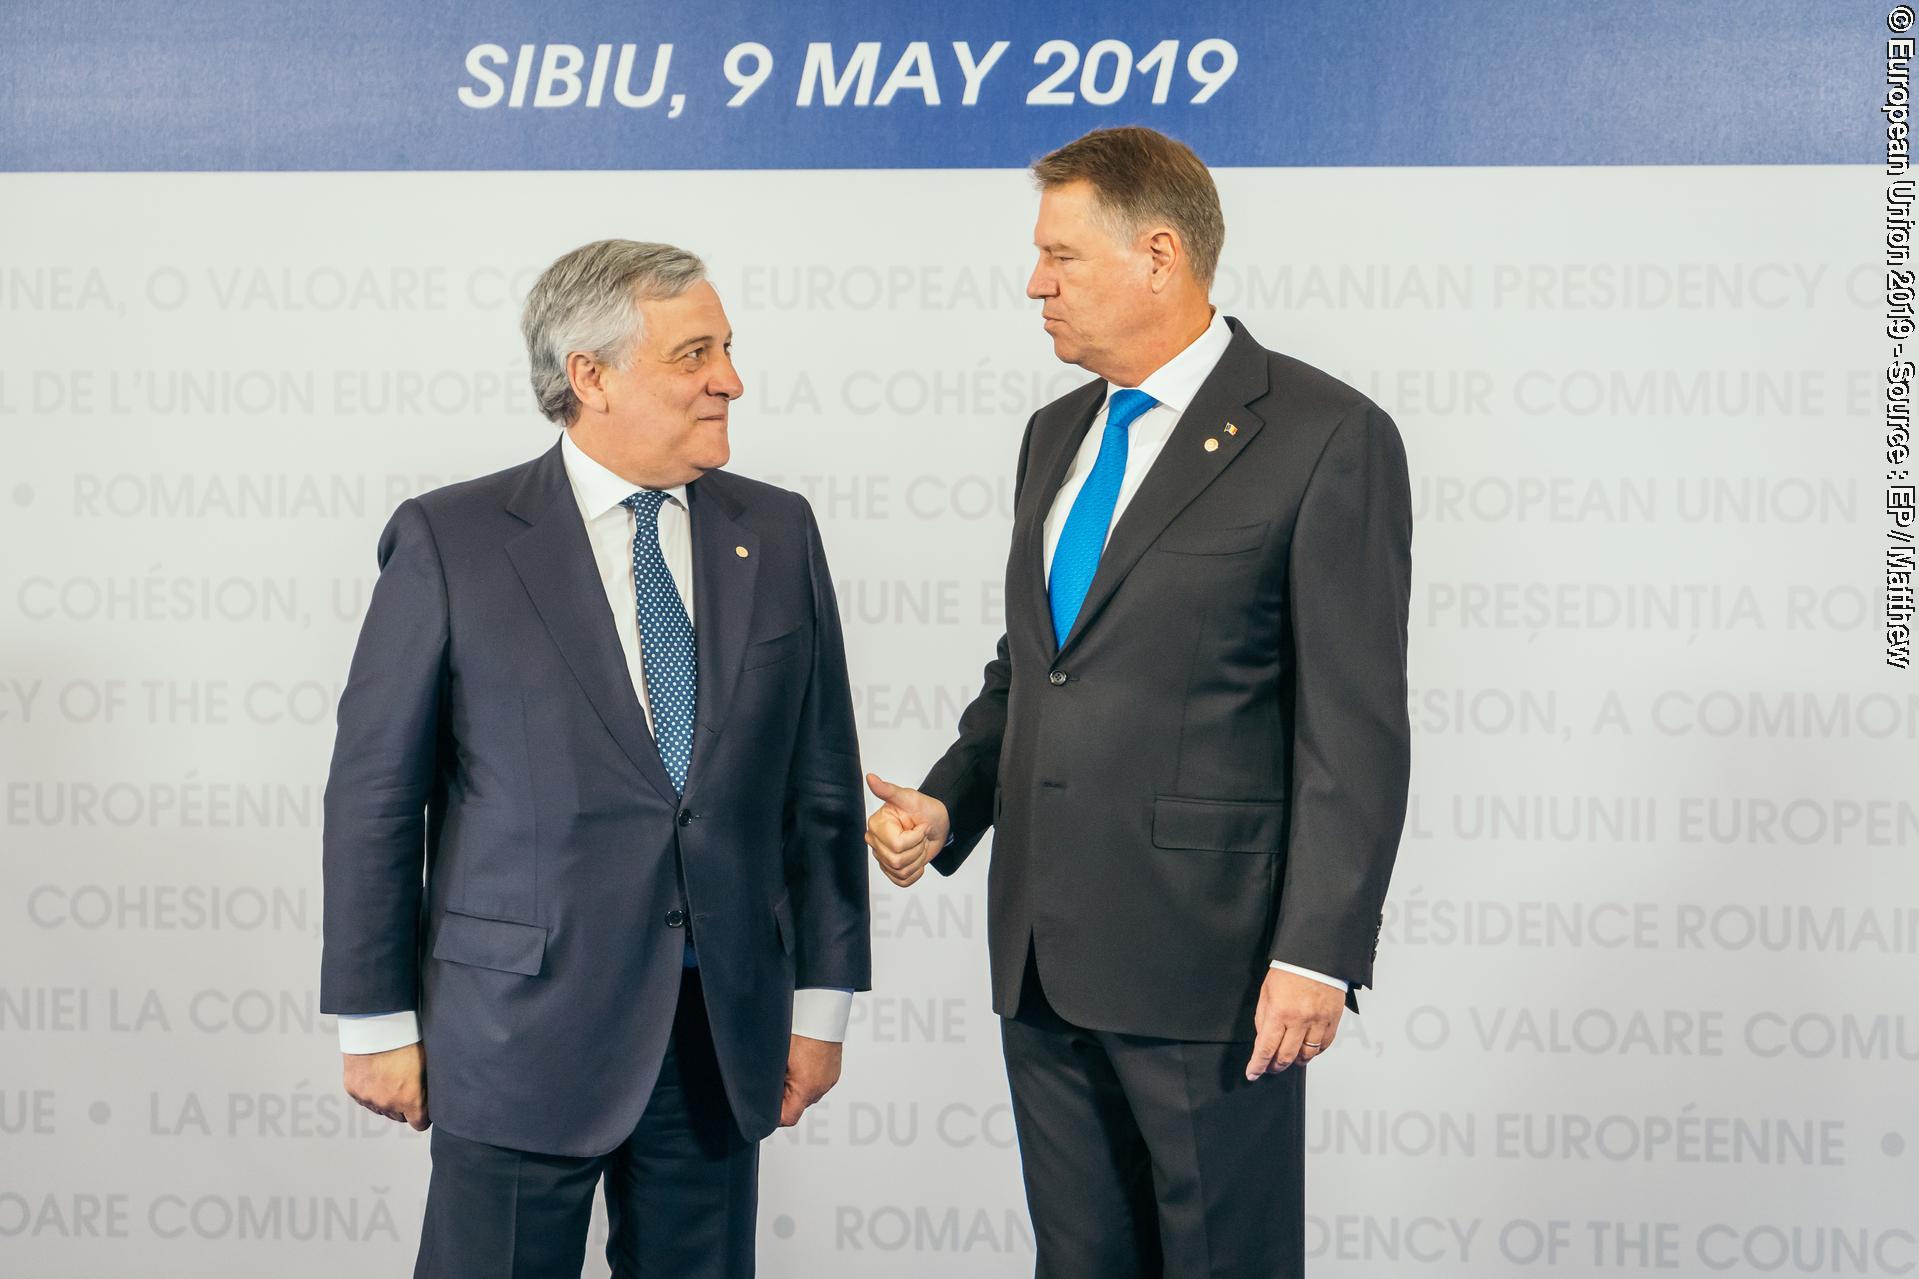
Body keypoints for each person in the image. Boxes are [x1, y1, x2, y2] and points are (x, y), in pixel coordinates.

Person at [865, 127, 1412, 1278]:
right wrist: (948, 806)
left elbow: (1350, 728)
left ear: (1158, 255)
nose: (1034, 283)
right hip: (1040, 954)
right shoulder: (1051, 433)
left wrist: (1316, 951)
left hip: (1208, 966)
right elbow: (1035, 668)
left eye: (1059, 256)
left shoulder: (1325, 437)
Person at [320, 239, 870, 1278]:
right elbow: (373, 802)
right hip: (515, 1033)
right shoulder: (453, 538)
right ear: (591, 376)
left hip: (716, 1037)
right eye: (693, 353)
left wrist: (821, 1003)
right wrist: (374, 1018)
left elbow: (821, 786)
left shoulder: (779, 530)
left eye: (728, 348)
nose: (729, 379)